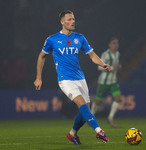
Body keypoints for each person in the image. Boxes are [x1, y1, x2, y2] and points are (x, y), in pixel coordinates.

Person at [34, 10, 111, 144]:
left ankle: (72, 134)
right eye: (69, 19)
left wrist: (103, 63)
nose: (72, 21)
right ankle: (99, 131)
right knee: (84, 107)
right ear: (62, 22)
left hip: (80, 78)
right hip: (65, 80)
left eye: (73, 19)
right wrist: (38, 77)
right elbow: (42, 56)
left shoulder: (80, 38)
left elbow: (92, 55)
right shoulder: (52, 39)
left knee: (84, 111)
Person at [91, 37, 122, 127]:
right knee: (97, 102)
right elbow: (99, 67)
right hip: (103, 82)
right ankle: (91, 118)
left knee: (118, 98)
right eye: (113, 43)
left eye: (117, 43)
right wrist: (112, 68)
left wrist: (118, 66)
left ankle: (110, 118)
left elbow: (116, 65)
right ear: (109, 45)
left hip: (113, 82)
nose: (116, 45)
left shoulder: (117, 54)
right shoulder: (106, 54)